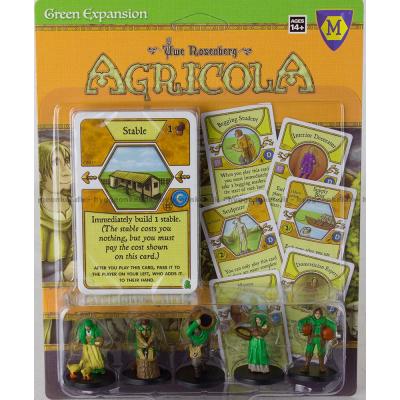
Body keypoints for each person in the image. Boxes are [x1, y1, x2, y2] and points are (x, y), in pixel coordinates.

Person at [39, 141, 74, 282]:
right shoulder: (38, 222)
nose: (68, 171)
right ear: (40, 173)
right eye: (56, 163)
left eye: (67, 161)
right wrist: (63, 276)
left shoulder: (76, 206)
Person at [297, 308, 336, 373]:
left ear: (321, 314)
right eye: (316, 313)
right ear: (314, 313)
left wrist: (333, 334)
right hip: (311, 339)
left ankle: (321, 366)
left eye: (319, 313)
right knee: (308, 352)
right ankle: (306, 366)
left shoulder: (324, 320)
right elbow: (300, 322)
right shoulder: (310, 319)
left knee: (321, 352)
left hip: (321, 339)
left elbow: (333, 325)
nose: (317, 315)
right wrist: (301, 329)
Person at [186, 310, 217, 378]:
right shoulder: (192, 332)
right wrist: (196, 323)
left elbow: (214, 324)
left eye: (197, 328)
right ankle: (197, 372)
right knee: (196, 361)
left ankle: (203, 366)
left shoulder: (206, 329)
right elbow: (188, 332)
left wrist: (213, 316)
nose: (197, 330)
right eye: (195, 329)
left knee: (205, 357)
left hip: (205, 346)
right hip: (196, 347)